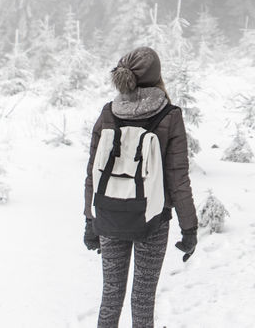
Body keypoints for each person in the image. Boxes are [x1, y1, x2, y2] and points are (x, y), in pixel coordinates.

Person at [84, 46, 198, 328]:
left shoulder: (108, 113)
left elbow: (92, 173)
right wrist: (189, 229)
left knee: (110, 297)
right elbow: (178, 179)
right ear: (157, 76)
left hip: (109, 215)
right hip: (153, 219)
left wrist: (91, 221)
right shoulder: (169, 115)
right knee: (143, 300)